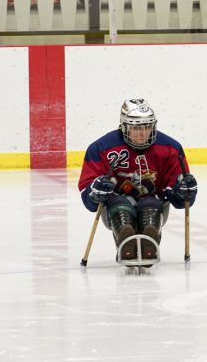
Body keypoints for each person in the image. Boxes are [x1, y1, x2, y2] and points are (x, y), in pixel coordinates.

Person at [78, 99, 198, 262]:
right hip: (116, 204)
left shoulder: (171, 148)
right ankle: (126, 244)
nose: (143, 133)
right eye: (136, 128)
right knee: (120, 204)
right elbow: (89, 199)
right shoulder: (101, 148)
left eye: (147, 126)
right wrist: (95, 191)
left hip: (154, 202)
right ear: (124, 126)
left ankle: (150, 246)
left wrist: (185, 191)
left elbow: (179, 200)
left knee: (151, 204)